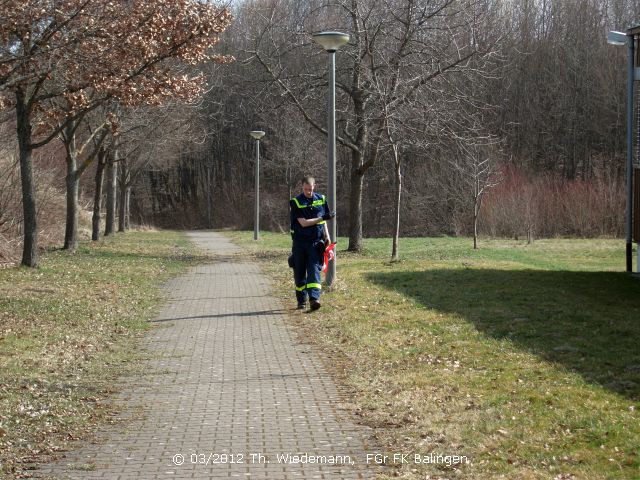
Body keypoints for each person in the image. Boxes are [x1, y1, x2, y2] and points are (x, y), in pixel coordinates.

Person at [290, 176, 335, 311]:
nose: (308, 192)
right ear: (302, 187)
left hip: (315, 243)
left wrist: (327, 238)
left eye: (310, 189)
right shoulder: (296, 202)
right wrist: (322, 217)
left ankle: (314, 299)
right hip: (299, 243)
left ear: (314, 186)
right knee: (299, 273)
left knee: (314, 269)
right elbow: (303, 223)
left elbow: (324, 221)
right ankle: (301, 300)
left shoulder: (321, 199)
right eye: (305, 189)